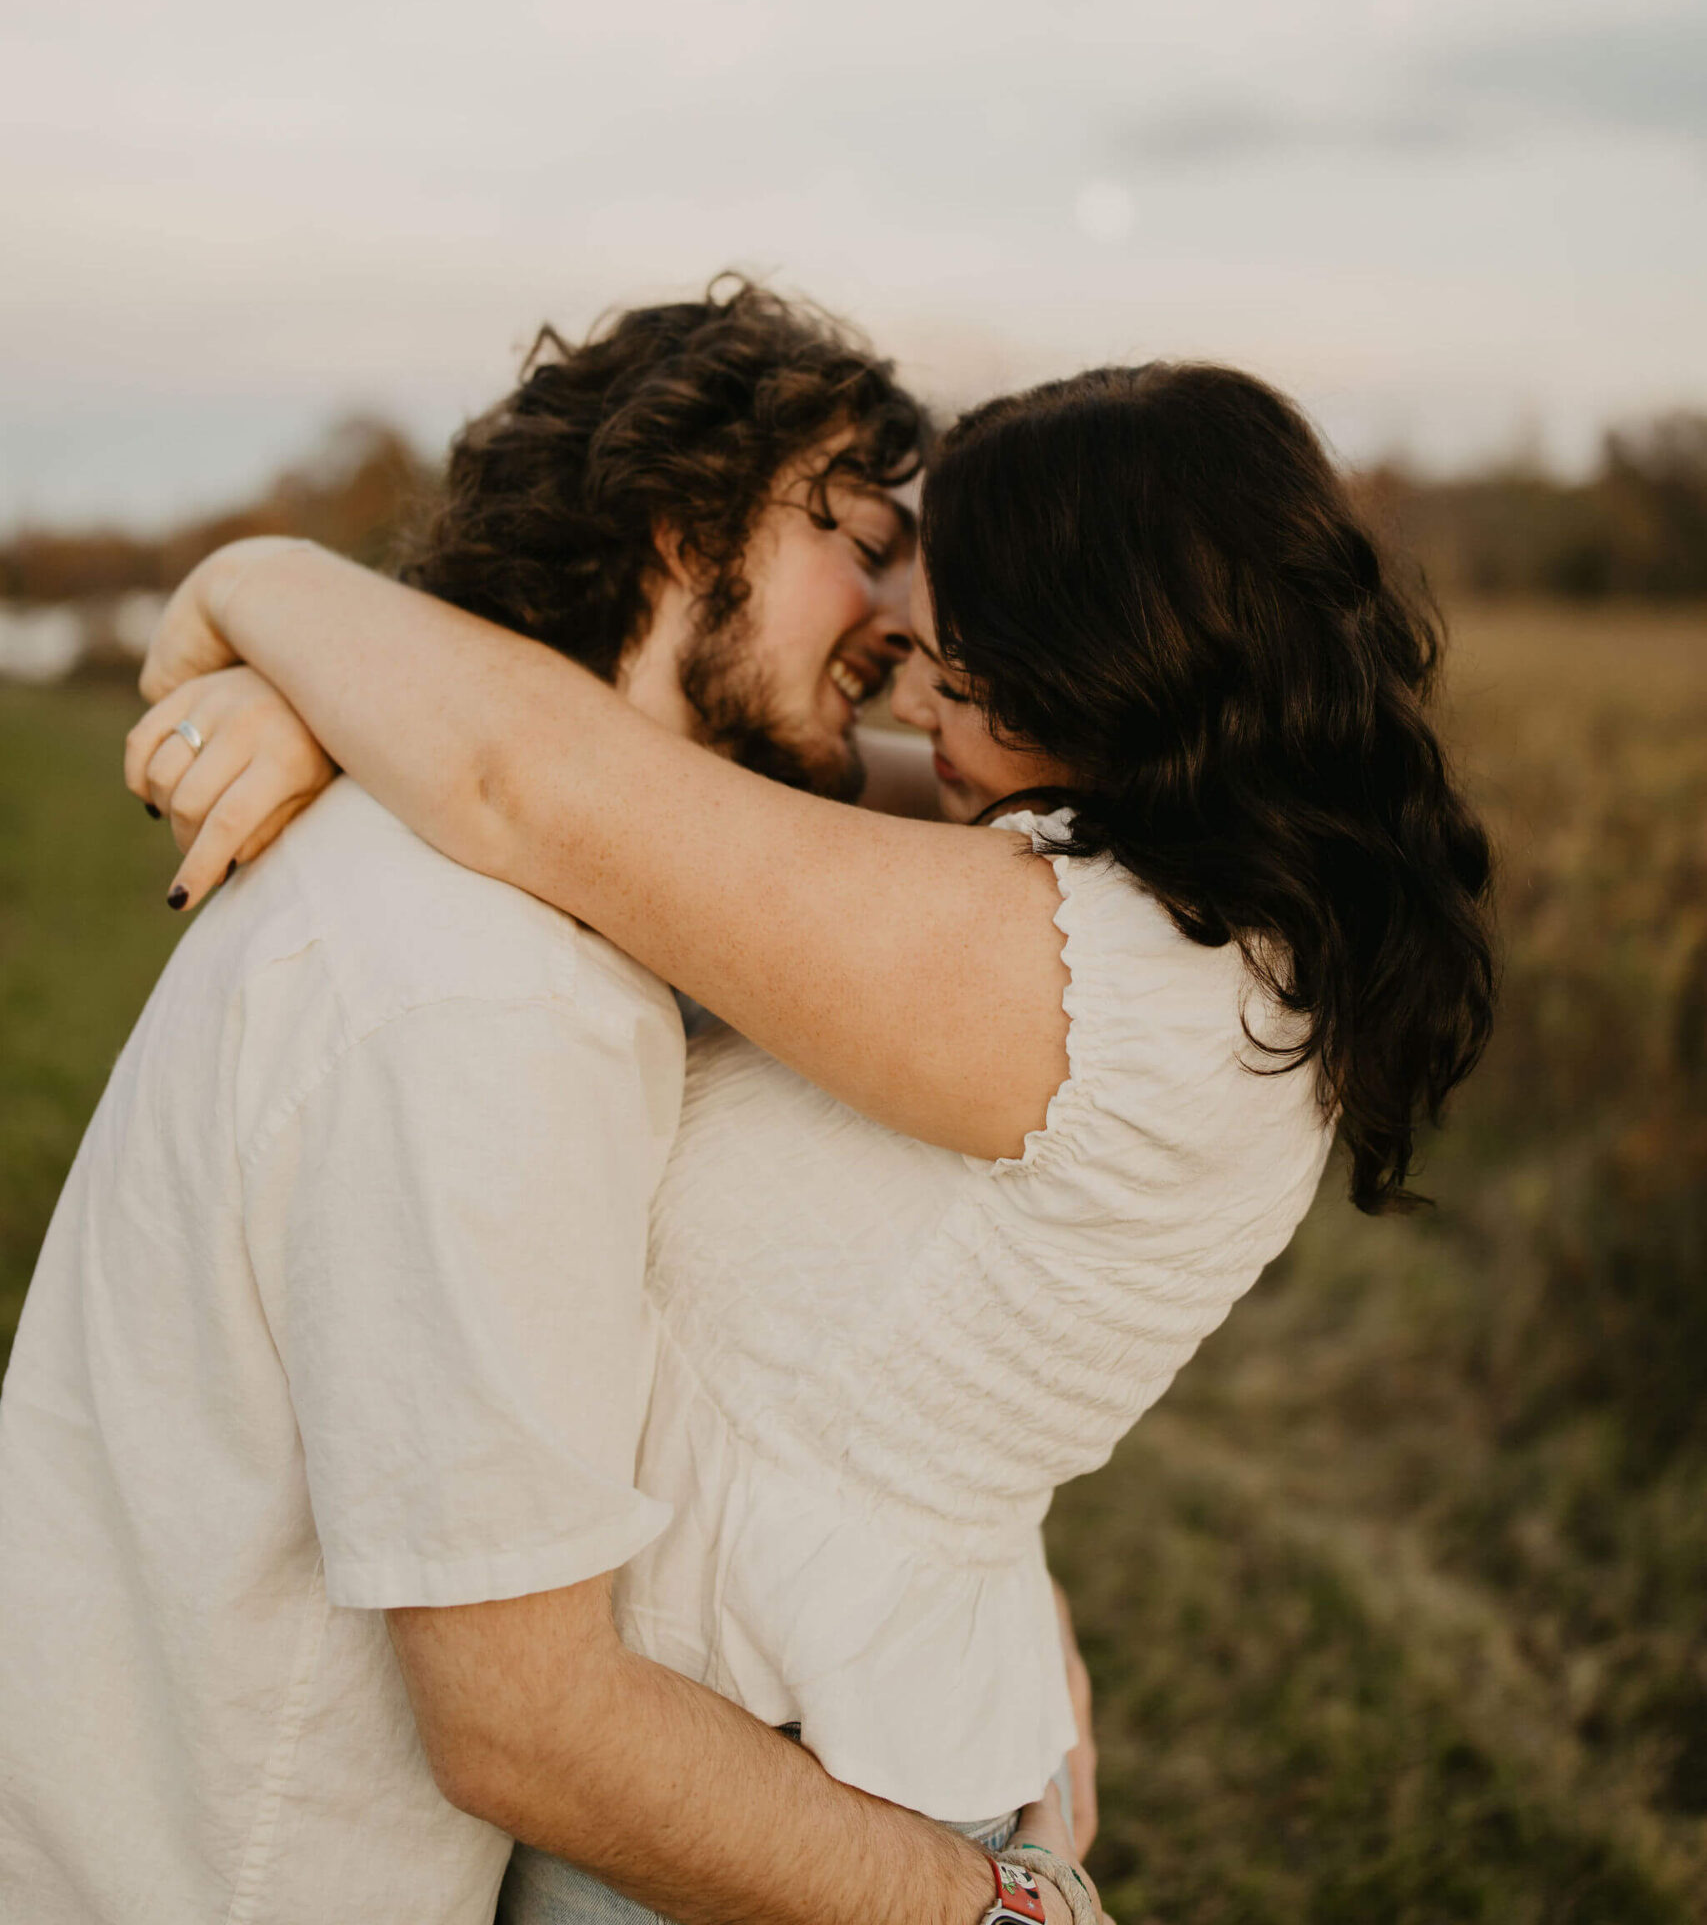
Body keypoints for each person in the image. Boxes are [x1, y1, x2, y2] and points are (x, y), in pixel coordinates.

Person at [124, 348, 1497, 1925]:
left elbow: (533, 780)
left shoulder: (1090, 977)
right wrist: (322, 711)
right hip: (775, 1735)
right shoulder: (1171, 896)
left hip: (756, 1790)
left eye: (962, 679)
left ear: (1111, 680)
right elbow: (614, 770)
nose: (917, 704)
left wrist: (257, 580)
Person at [0, 283, 1098, 1925]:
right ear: (679, 525)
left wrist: (296, 638)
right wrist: (1000, 1906)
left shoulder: (516, 884)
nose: (902, 613)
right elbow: (527, 1726)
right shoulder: (489, 989)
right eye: (859, 535)